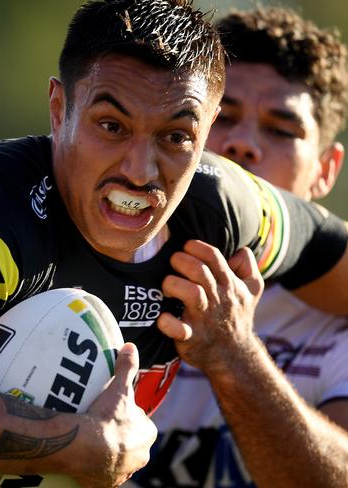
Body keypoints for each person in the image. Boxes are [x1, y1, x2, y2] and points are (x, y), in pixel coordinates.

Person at [0, 1, 348, 487]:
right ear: (59, 108)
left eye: (175, 136)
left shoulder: (225, 207)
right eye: (111, 126)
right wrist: (73, 443)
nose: (140, 170)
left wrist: (234, 352)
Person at [132, 6, 348, 487]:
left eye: (281, 130)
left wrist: (234, 354)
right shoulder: (108, 264)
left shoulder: (338, 324)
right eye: (223, 116)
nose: (243, 145)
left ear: (325, 171)